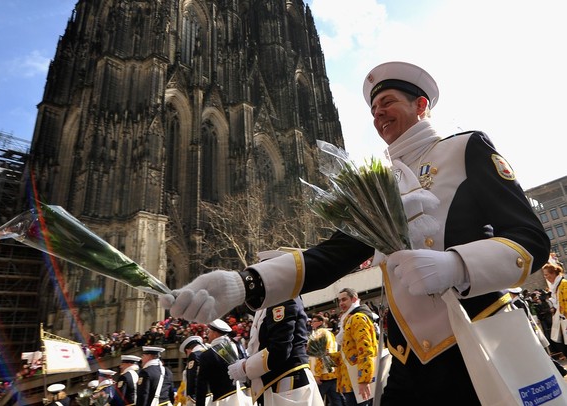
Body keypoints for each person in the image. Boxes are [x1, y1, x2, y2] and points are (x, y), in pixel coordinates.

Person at [162, 61, 550, 405]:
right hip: (407, 355)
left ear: (421, 105)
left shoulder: (465, 149)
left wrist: (457, 265)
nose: (379, 113)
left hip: (477, 339)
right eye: (374, 108)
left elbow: (530, 239)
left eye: (389, 102)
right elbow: (335, 253)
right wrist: (244, 283)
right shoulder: (377, 183)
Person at [227, 295, 320, 405]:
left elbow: (280, 350)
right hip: (278, 384)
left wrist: (245, 367)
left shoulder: (282, 297)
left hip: (288, 384)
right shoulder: (271, 300)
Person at [329, 288, 377, 406]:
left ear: (354, 299)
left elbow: (366, 350)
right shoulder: (348, 319)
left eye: (344, 299)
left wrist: (364, 380)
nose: (341, 304)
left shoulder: (357, 318)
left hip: (358, 381)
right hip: (350, 380)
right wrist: (330, 357)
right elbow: (350, 352)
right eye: (339, 300)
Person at [196, 319, 244, 405]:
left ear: (215, 334)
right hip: (246, 398)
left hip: (223, 401)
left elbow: (202, 386)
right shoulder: (239, 347)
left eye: (209, 332)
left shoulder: (207, 355)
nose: (208, 335)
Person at [308, 313, 345, 406]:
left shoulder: (318, 334)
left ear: (320, 322)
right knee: (337, 401)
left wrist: (316, 374)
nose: (312, 323)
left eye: (314, 321)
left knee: (317, 402)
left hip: (323, 375)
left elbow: (318, 355)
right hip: (332, 372)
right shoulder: (329, 333)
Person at [543, 255, 567, 358]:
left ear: (554, 273)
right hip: (561, 320)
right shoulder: (555, 287)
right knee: (562, 345)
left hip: (565, 320)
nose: (546, 277)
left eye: (547, 275)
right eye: (544, 275)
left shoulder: (563, 284)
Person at [179, 335, 207, 405]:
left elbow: (192, 377)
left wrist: (191, 397)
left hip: (197, 397)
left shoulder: (194, 355)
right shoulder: (207, 353)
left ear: (187, 350)